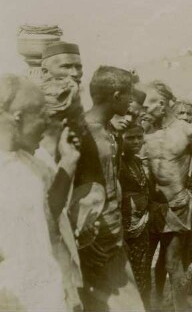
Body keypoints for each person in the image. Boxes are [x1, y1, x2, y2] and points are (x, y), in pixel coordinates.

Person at [0, 74, 68, 312]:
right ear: (19, 117)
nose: (47, 122)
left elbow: (51, 220)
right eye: (41, 113)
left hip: (48, 295)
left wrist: (69, 164)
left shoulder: (37, 163)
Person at [142, 80, 192, 310]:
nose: (143, 109)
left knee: (173, 262)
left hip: (177, 204)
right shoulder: (142, 131)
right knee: (146, 263)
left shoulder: (187, 131)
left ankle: (179, 308)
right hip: (148, 207)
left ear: (161, 104)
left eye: (147, 105)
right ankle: (155, 305)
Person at [80, 66, 145, 311]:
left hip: (113, 235)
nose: (131, 102)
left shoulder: (107, 130)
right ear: (116, 96)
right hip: (95, 241)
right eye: (129, 95)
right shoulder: (84, 132)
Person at [36, 76, 86, 311]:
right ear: (64, 118)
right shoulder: (36, 161)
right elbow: (45, 214)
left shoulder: (57, 155)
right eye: (79, 112)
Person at [119, 122, 152, 309]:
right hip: (124, 226)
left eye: (139, 137)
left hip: (141, 223)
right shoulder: (118, 163)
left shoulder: (138, 161)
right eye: (130, 138)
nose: (136, 141)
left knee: (142, 269)